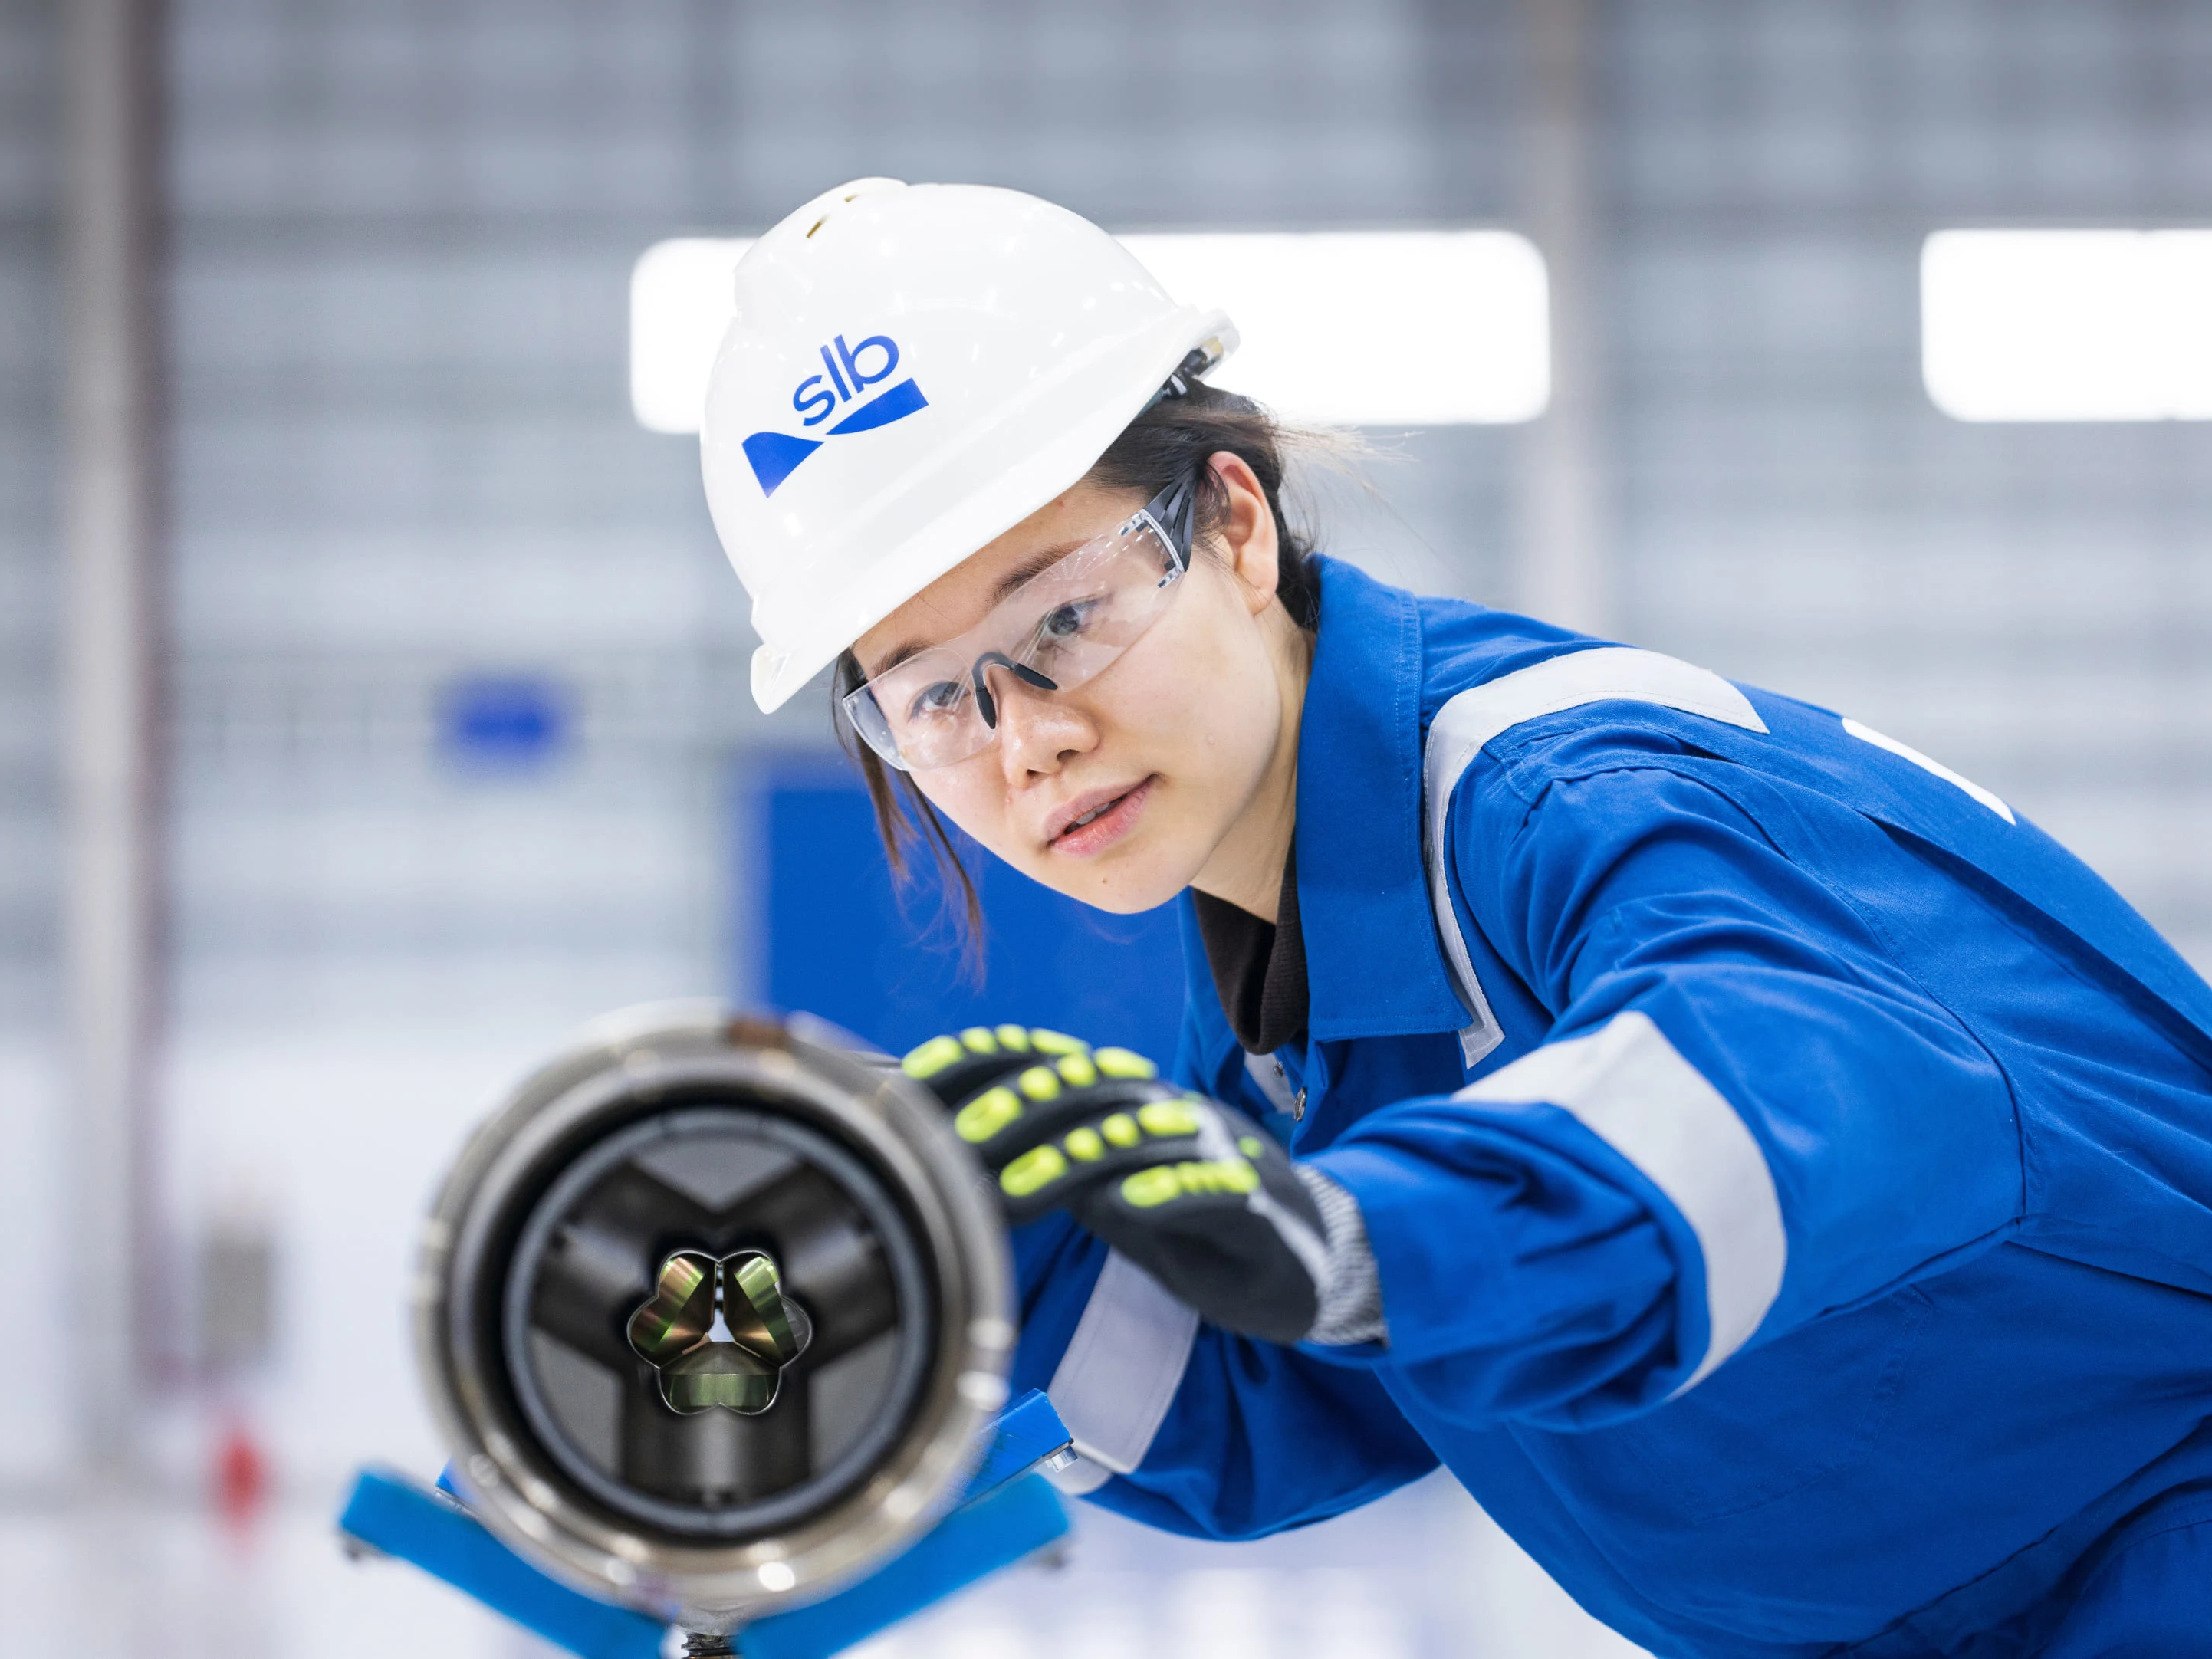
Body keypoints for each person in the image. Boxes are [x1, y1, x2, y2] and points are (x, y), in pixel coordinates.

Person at [700, 179, 2212, 1655]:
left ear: (1232, 522)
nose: (1026, 738)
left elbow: (1784, 1075)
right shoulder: (1292, 997)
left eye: (1065, 616)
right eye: (929, 695)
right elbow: (1309, 1385)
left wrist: (1358, 1227)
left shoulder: (1562, 796)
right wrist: (937, 1283)